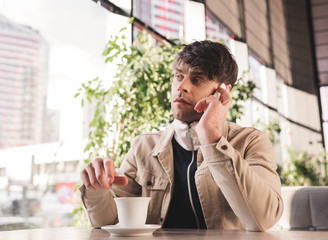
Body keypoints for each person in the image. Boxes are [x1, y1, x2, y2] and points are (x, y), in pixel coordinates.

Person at [80, 40, 283, 231]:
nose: (181, 87)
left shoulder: (251, 141)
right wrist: (96, 188)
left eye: (197, 79)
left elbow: (262, 219)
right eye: (178, 76)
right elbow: (108, 220)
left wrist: (210, 136)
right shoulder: (143, 146)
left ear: (222, 92)